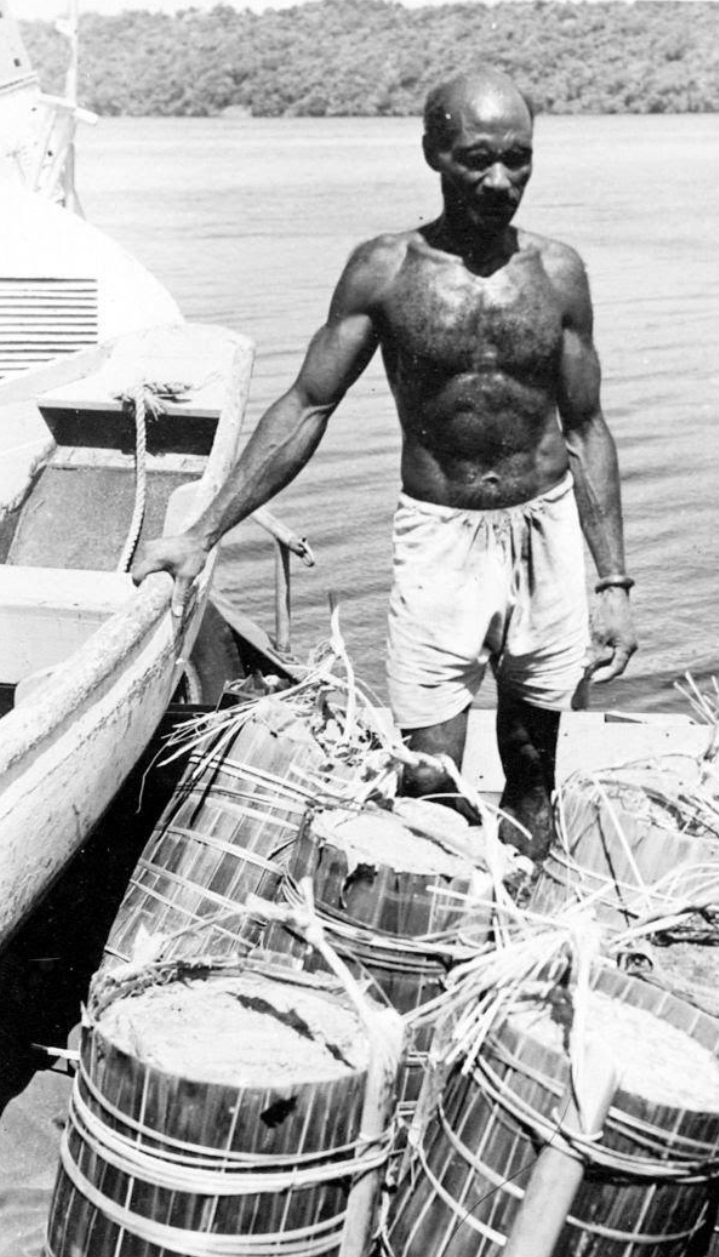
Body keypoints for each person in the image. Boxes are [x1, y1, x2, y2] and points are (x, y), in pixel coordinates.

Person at [132, 66, 637, 860]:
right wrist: (201, 535)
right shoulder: (386, 271)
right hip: (442, 537)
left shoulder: (560, 273)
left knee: (535, 762)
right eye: (477, 157)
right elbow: (305, 407)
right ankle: (438, 928)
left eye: (519, 157)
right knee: (429, 775)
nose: (501, 180)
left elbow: (586, 425)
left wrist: (612, 583)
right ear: (434, 153)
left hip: (546, 530)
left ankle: (530, 905)